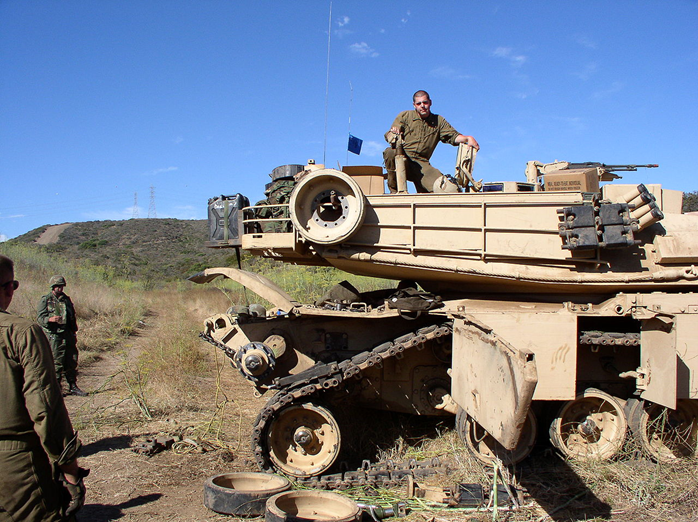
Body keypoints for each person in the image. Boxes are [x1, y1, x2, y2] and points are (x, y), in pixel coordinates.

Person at [0, 255, 87, 520]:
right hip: (14, 460)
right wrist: (68, 465)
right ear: (7, 288)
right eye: (11, 285)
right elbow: (45, 407)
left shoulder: (64, 302)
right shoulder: (20, 332)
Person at [383, 90, 480, 193]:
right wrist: (394, 133)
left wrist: (468, 138)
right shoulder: (405, 116)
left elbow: (453, 136)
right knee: (390, 152)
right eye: (419, 103)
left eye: (425, 102)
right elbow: (392, 132)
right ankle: (394, 191)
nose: (422, 106)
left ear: (430, 102)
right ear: (414, 105)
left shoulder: (438, 121)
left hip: (422, 164)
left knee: (445, 189)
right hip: (403, 158)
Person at [37, 275, 87, 396]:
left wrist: (73, 331)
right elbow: (40, 318)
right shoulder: (46, 299)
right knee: (56, 361)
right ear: (53, 287)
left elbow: (72, 316)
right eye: (57, 286)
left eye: (61, 286)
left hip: (67, 334)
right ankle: (56, 388)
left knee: (71, 360)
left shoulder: (66, 299)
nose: (60, 289)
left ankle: (72, 386)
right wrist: (50, 319)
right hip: (54, 335)